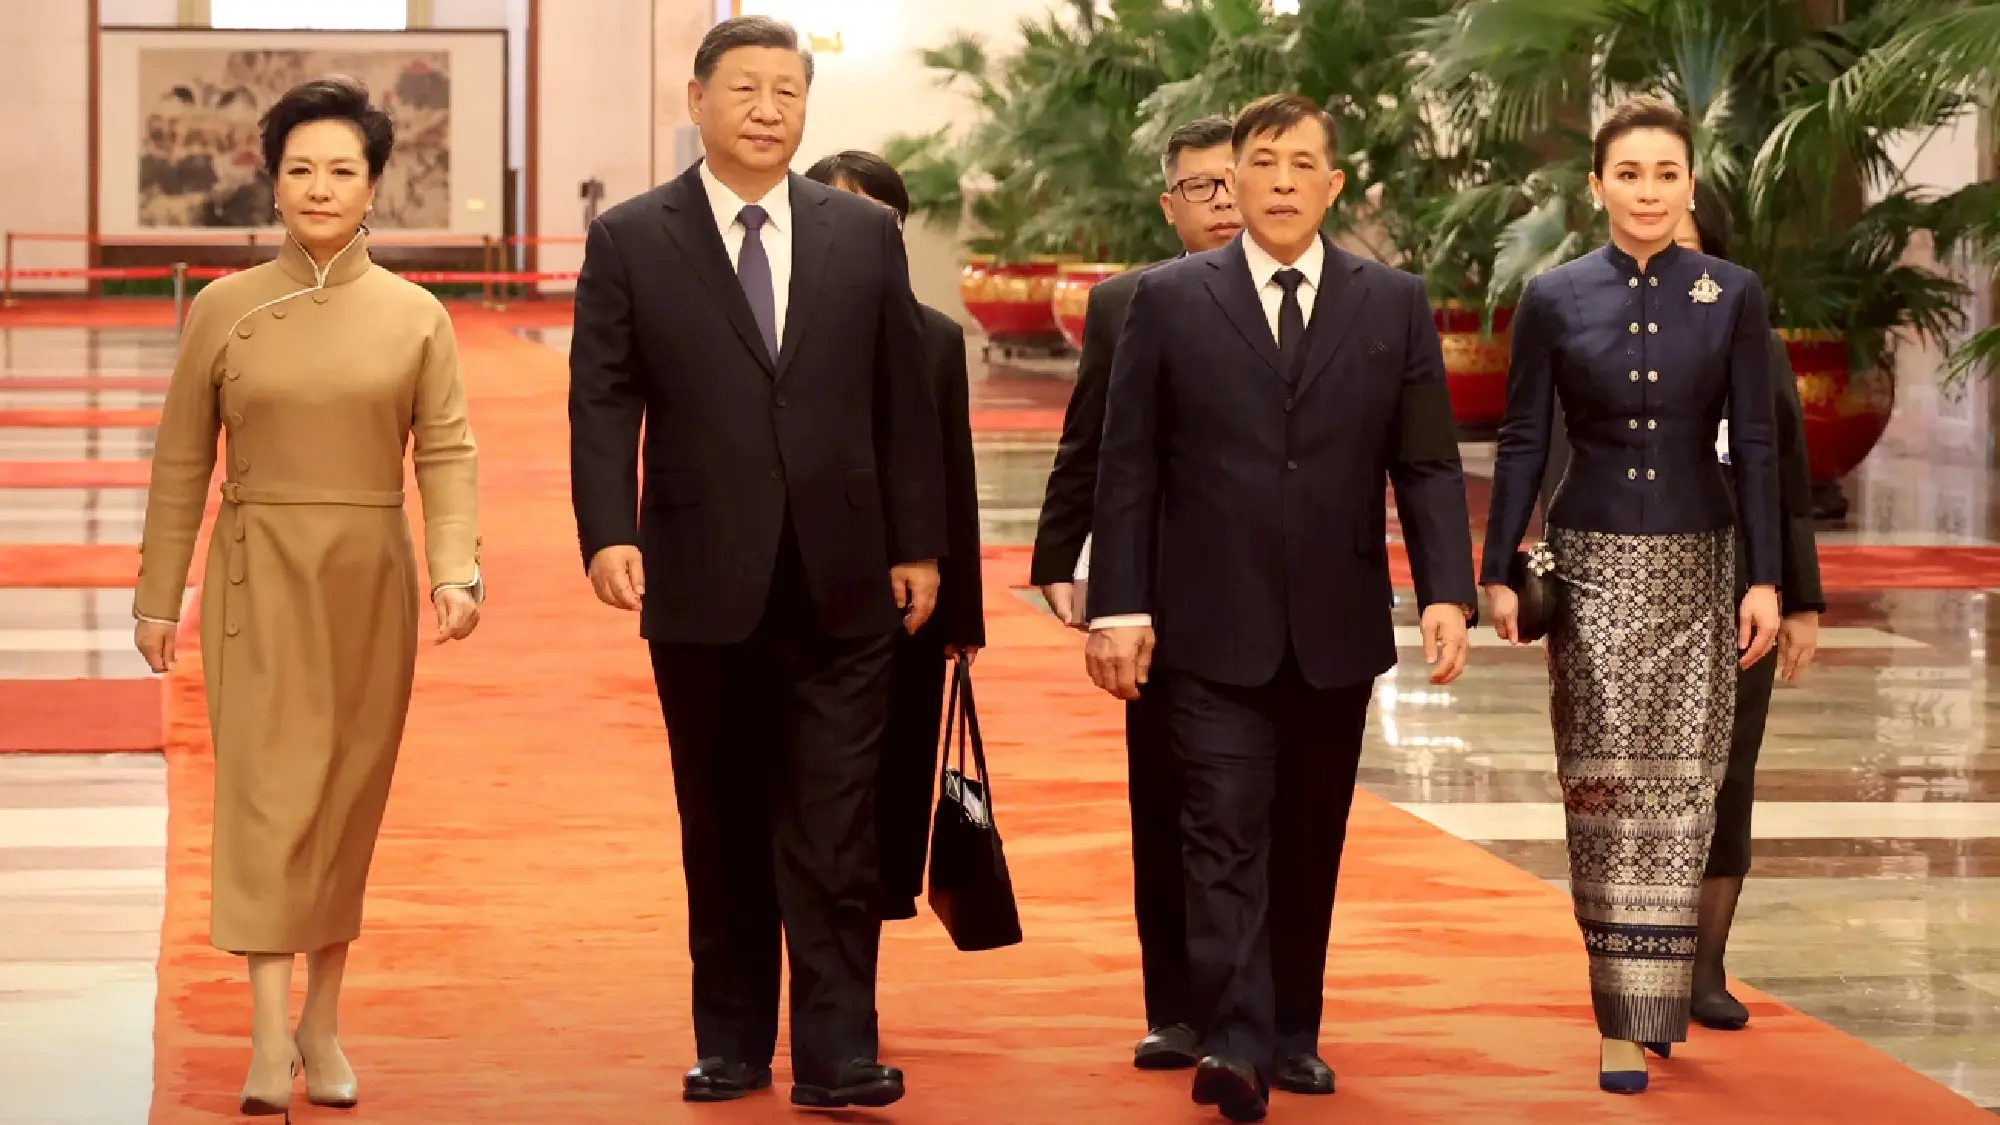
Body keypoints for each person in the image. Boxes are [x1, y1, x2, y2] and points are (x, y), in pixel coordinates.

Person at [567, 16, 946, 1110]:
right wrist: (609, 529)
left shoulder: (858, 235)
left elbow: (899, 401)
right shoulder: (633, 237)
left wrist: (915, 543)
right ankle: (730, 1042)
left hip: (843, 574)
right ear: (696, 100)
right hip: (699, 571)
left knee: (836, 822)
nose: (767, 109)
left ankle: (837, 1054)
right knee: (722, 815)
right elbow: (603, 395)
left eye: (787, 90)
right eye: (744, 89)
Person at [1087, 93, 1477, 1123]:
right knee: (1219, 828)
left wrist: (1446, 591)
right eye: (1264, 162)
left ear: (1332, 184)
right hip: (1204, 622)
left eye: (1305, 163)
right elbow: (1124, 468)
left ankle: (1290, 1029)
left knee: (1306, 836)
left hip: (1334, 622)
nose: (1282, 181)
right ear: (1237, 176)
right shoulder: (1168, 300)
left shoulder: (1389, 301)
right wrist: (1116, 604)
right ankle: (1231, 1041)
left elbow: (1426, 462)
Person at [130, 75, 483, 1116]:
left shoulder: (417, 316)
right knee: (265, 798)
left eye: (342, 169)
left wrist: (454, 567)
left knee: (342, 798)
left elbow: (448, 455)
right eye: (300, 170)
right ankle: (261, 1035)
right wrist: (160, 594)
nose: (320, 187)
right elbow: (180, 463)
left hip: (368, 573)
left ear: (375, 185)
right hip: (256, 573)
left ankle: (321, 1024)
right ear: (271, 183)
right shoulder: (223, 308)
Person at [1480, 96, 1783, 1094]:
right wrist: (1496, 569)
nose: (1646, 191)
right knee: (1606, 789)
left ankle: (1659, 998)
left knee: (1684, 789)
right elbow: (1521, 438)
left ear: (1687, 184)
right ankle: (1618, 1018)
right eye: (1627, 174)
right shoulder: (1553, 296)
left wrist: (1766, 578)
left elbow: (1760, 444)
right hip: (1593, 562)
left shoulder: (1731, 293)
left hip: (1703, 564)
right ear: (1596, 187)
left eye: (1664, 174)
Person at [1029, 114, 1245, 1072]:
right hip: (1160, 594)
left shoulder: (1334, 298)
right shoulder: (1127, 303)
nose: (1230, 201)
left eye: (1244, 178)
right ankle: (1180, 1009)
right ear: (1170, 206)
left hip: (1287, 592)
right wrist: (1057, 554)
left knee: (1273, 813)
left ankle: (1275, 1016)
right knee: (1166, 802)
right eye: (1204, 186)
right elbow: (1091, 441)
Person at [801, 149, 986, 923]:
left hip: (907, 596)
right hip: (807, 587)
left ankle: (873, 907)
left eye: (882, 218)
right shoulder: (783, 336)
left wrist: (963, 619)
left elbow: (954, 473)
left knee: (894, 769)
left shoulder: (934, 339)